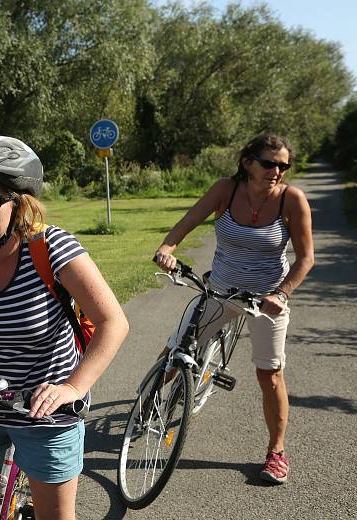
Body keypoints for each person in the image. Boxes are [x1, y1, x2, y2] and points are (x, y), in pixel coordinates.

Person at [0, 136, 129, 519]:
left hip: (43, 409)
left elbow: (112, 321)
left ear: (20, 204)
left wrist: (73, 386)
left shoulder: (51, 248)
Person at [154, 132, 314, 484]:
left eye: (284, 165)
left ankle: (276, 452)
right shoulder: (225, 189)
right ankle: (147, 403)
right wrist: (168, 247)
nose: (277, 171)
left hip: (267, 301)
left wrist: (282, 294)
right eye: (270, 163)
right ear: (247, 162)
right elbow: (187, 222)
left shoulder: (291, 199)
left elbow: (305, 259)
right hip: (221, 290)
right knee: (178, 348)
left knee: (269, 375)